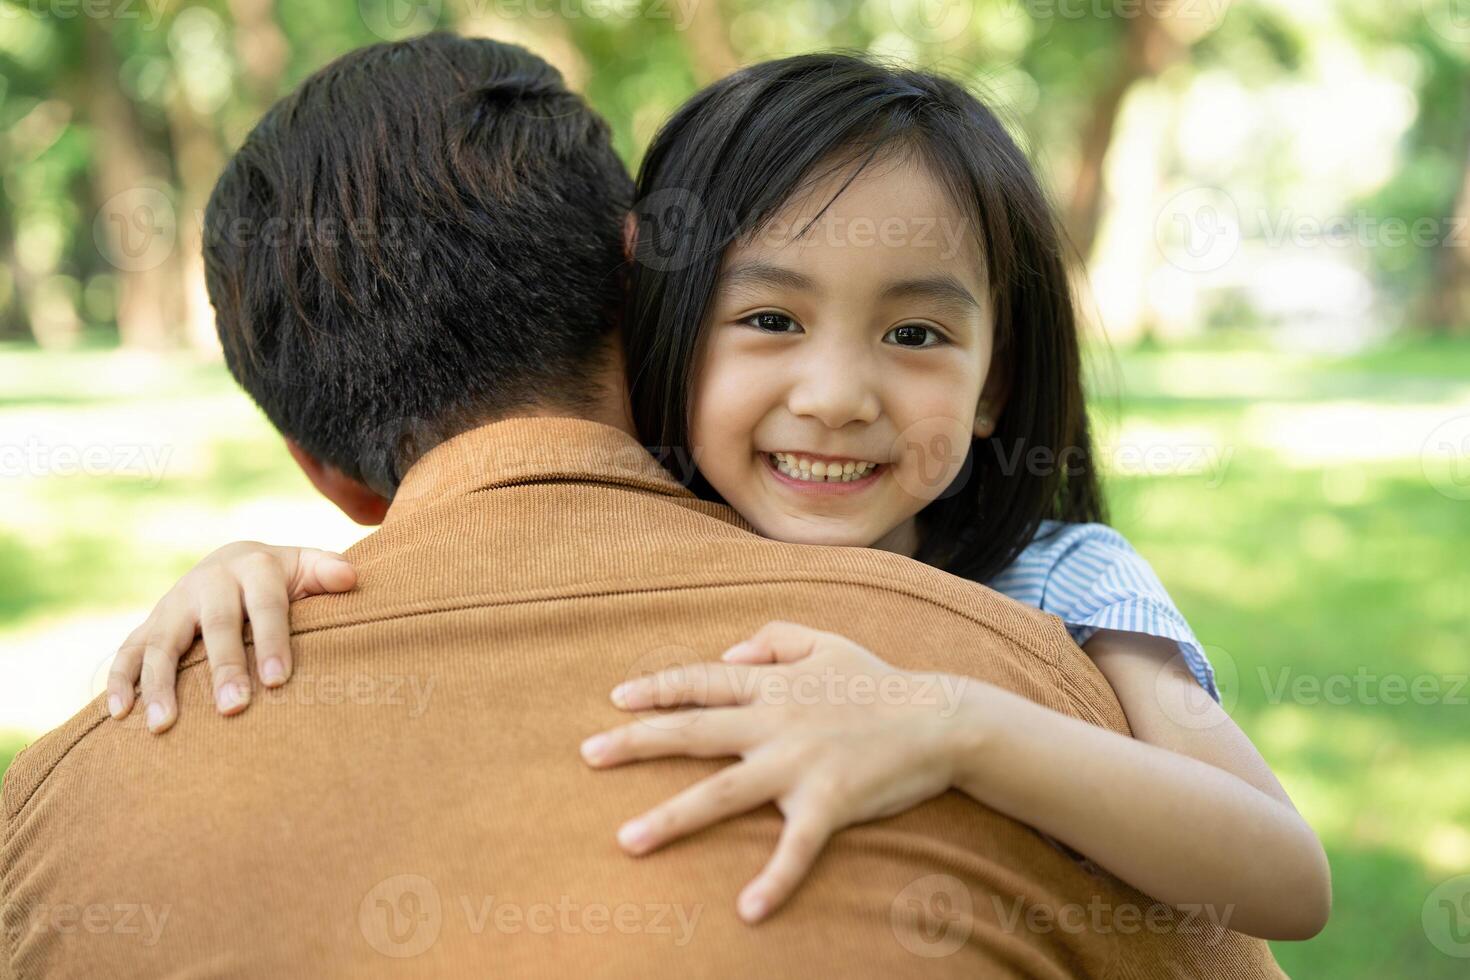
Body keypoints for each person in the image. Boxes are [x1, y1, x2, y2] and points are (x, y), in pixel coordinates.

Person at [3, 35, 1291, 976]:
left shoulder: (1065, 592)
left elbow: (1282, 873)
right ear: (656, 310)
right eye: (771, 319)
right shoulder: (701, 502)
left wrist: (958, 723)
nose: (836, 397)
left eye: (914, 332)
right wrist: (250, 568)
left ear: (999, 380)